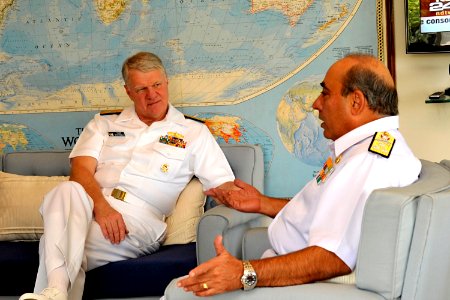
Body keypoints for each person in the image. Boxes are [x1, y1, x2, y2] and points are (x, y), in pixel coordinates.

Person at [177, 53, 422, 297]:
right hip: (292, 272)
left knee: (179, 292)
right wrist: (262, 203)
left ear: (356, 102)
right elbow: (324, 213)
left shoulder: (369, 162)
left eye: (325, 93)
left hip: (306, 286)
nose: (316, 103)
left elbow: (331, 258)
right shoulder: (367, 149)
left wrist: (243, 273)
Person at [19, 52, 237, 300]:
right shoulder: (103, 123)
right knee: (65, 191)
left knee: (55, 241)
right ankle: (56, 293)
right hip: (90, 206)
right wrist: (102, 208)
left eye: (156, 85)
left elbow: (222, 185)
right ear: (128, 92)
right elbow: (80, 171)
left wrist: (244, 202)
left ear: (166, 82)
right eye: (141, 88)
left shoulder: (193, 132)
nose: (152, 94)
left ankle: (55, 290)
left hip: (138, 221)